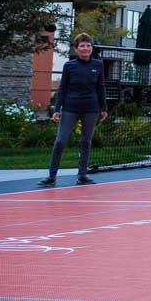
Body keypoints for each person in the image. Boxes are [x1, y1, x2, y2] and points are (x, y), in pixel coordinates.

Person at [40, 33, 108, 186]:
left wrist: (104, 108)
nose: (85, 48)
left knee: (85, 141)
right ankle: (51, 176)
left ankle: (82, 175)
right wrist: (57, 109)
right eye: (82, 46)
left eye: (88, 45)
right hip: (70, 108)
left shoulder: (98, 65)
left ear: (92, 48)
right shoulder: (69, 66)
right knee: (60, 141)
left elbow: (101, 87)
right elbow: (62, 88)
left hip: (91, 109)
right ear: (76, 49)